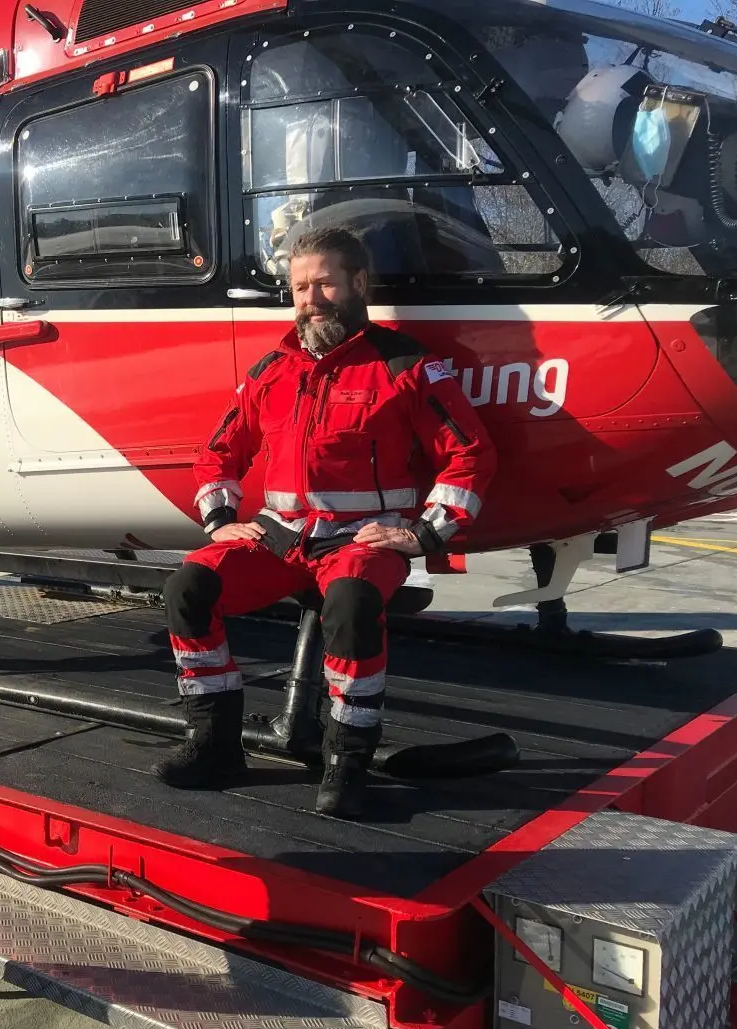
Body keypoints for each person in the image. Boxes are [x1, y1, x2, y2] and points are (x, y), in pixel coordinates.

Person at [154, 226, 497, 819]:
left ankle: (347, 763)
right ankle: (214, 745)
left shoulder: (406, 365)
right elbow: (217, 453)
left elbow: (470, 453)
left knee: (351, 606)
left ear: (358, 283)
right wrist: (220, 520)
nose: (310, 300)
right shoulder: (271, 371)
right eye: (299, 288)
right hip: (280, 540)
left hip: (361, 543)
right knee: (188, 586)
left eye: (324, 284)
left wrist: (424, 533)